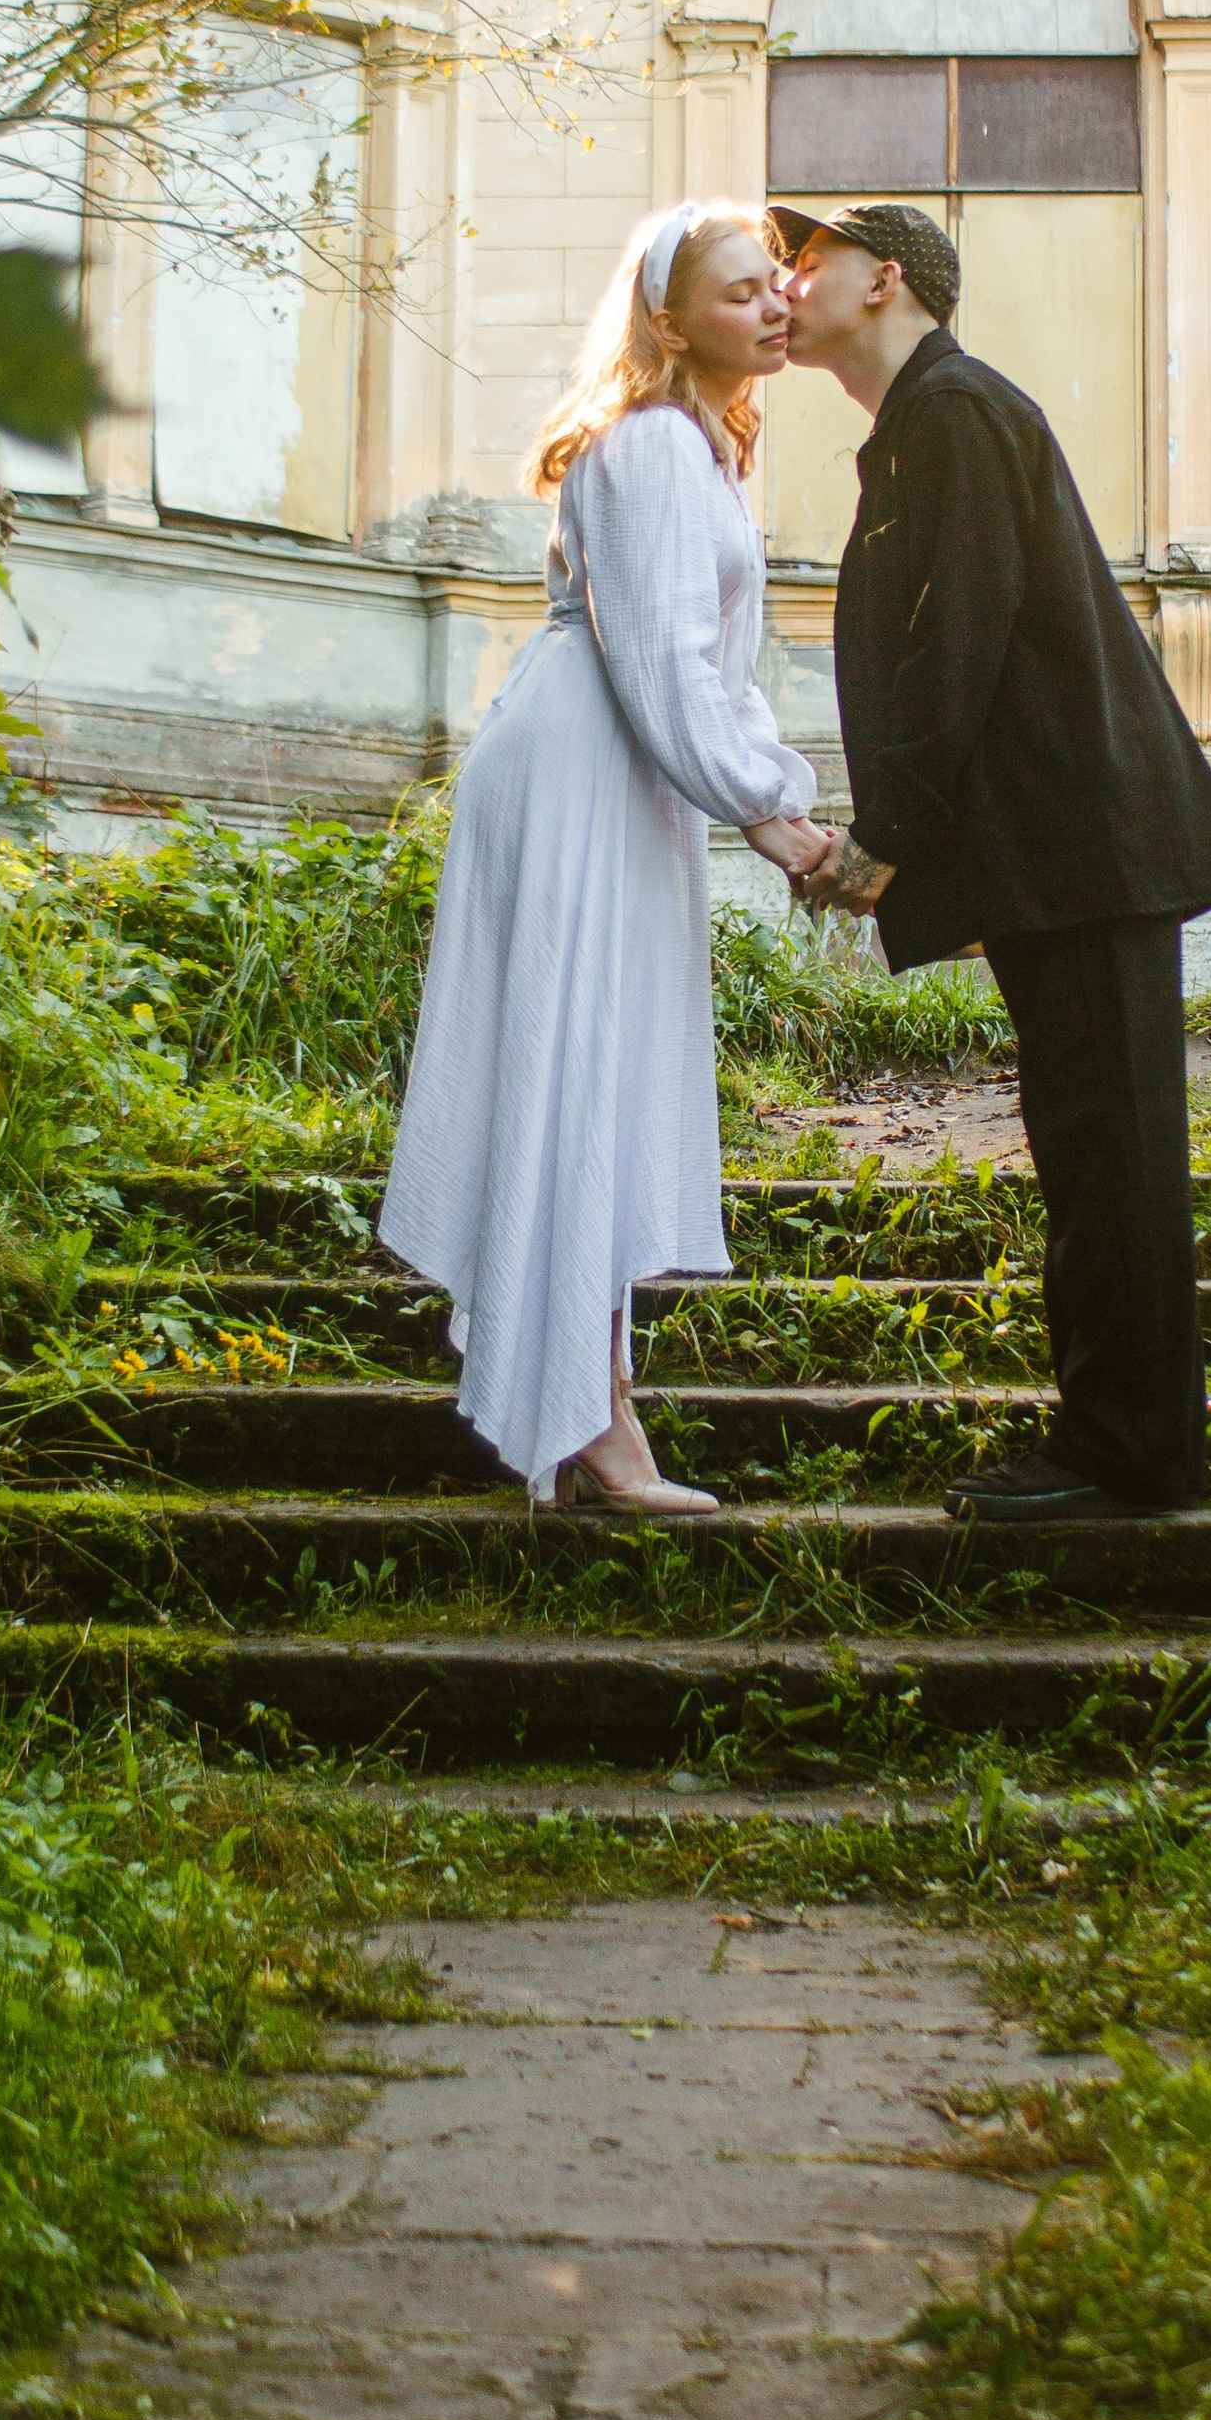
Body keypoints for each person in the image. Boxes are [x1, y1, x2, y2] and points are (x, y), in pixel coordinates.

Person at [774, 201, 1211, 1521]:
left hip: (1089, 848)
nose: (784, 279)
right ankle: (1123, 1439)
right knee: (1093, 1140)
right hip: (1069, 849)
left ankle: (1131, 1456)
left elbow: (958, 644)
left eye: (805, 259)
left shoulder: (955, 411)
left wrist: (886, 841)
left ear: (882, 279)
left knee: (1111, 1150)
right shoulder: (927, 420)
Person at [381, 205, 830, 1510]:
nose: (773, 307)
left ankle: (591, 1401)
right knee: (578, 1067)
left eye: (774, 288)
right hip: (585, 762)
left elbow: (710, 668)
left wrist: (773, 795)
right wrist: (770, 809)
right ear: (670, 321)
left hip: (624, 768)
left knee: (606, 1070)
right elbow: (662, 663)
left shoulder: (699, 452)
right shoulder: (645, 450)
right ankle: (595, 1422)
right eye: (742, 292)